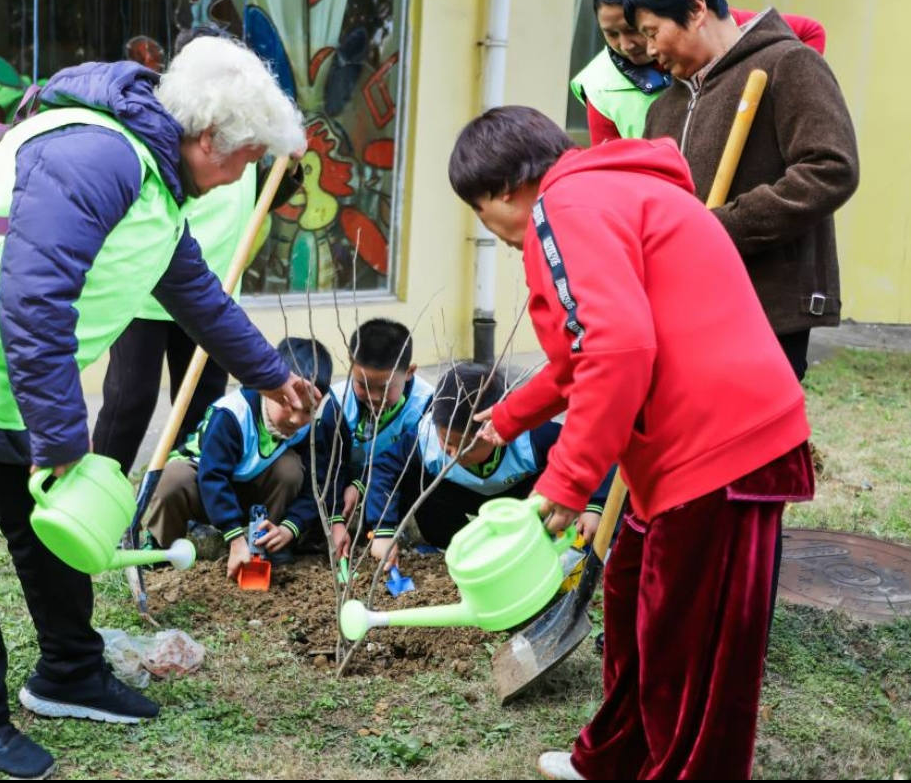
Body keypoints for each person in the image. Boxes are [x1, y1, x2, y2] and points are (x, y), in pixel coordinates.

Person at [0, 38, 314, 780]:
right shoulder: (97, 156)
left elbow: (195, 292)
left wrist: (269, 375)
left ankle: (68, 670)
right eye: (246, 158)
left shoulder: (158, 185)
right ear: (208, 140)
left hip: (12, 379)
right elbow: (34, 300)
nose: (244, 175)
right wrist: (63, 440)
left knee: (45, 532)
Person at [450, 106, 814, 779]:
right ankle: (616, 755)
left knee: (691, 645)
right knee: (629, 595)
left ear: (502, 188)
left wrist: (566, 478)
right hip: (685, 446)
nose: (490, 230)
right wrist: (505, 420)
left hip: (719, 448)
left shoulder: (564, 206)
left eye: (479, 210)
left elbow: (618, 348)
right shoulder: (602, 190)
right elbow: (580, 358)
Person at [631, 0, 859, 381]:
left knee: (756, 442)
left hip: (764, 308)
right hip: (684, 310)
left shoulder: (789, 63)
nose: (648, 50)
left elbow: (830, 168)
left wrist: (721, 227)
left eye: (651, 31)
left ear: (696, 9)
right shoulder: (663, 108)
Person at [93, 27, 305, 474]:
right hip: (149, 291)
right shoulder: (174, 137)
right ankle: (98, 485)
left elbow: (261, 196)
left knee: (201, 404)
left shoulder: (238, 135)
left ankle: (178, 493)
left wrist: (291, 165)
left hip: (215, 292)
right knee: (129, 400)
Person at [359, 363, 611, 566]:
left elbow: (591, 449)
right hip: (456, 495)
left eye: (466, 445)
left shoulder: (532, 437)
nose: (454, 453)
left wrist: (594, 505)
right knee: (413, 475)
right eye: (446, 441)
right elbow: (384, 467)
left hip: (517, 499)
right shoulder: (425, 442)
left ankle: (545, 544)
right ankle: (447, 543)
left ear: (497, 428)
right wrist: (383, 531)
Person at [570, 0, 825, 146]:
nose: (626, 44)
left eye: (639, 30)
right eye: (611, 34)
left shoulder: (721, 28)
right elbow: (611, 168)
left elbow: (810, 31)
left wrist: (780, 96)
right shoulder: (600, 87)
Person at [142, 338, 333, 578]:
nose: (296, 419)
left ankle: (267, 542)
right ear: (272, 388)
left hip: (248, 489)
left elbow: (316, 482)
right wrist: (233, 536)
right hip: (204, 488)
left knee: (290, 469)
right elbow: (212, 477)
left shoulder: (309, 427)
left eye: (308, 410)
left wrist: (290, 527)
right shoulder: (233, 414)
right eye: (288, 404)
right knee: (172, 479)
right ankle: (162, 546)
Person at [315, 318, 435, 559]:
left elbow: (408, 466)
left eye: (385, 388)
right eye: (363, 385)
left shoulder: (424, 405)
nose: (373, 397)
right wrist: (336, 518)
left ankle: (393, 529)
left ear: (409, 372)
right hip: (346, 486)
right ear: (351, 366)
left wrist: (364, 487)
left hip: (392, 488)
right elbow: (328, 466)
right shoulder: (339, 404)